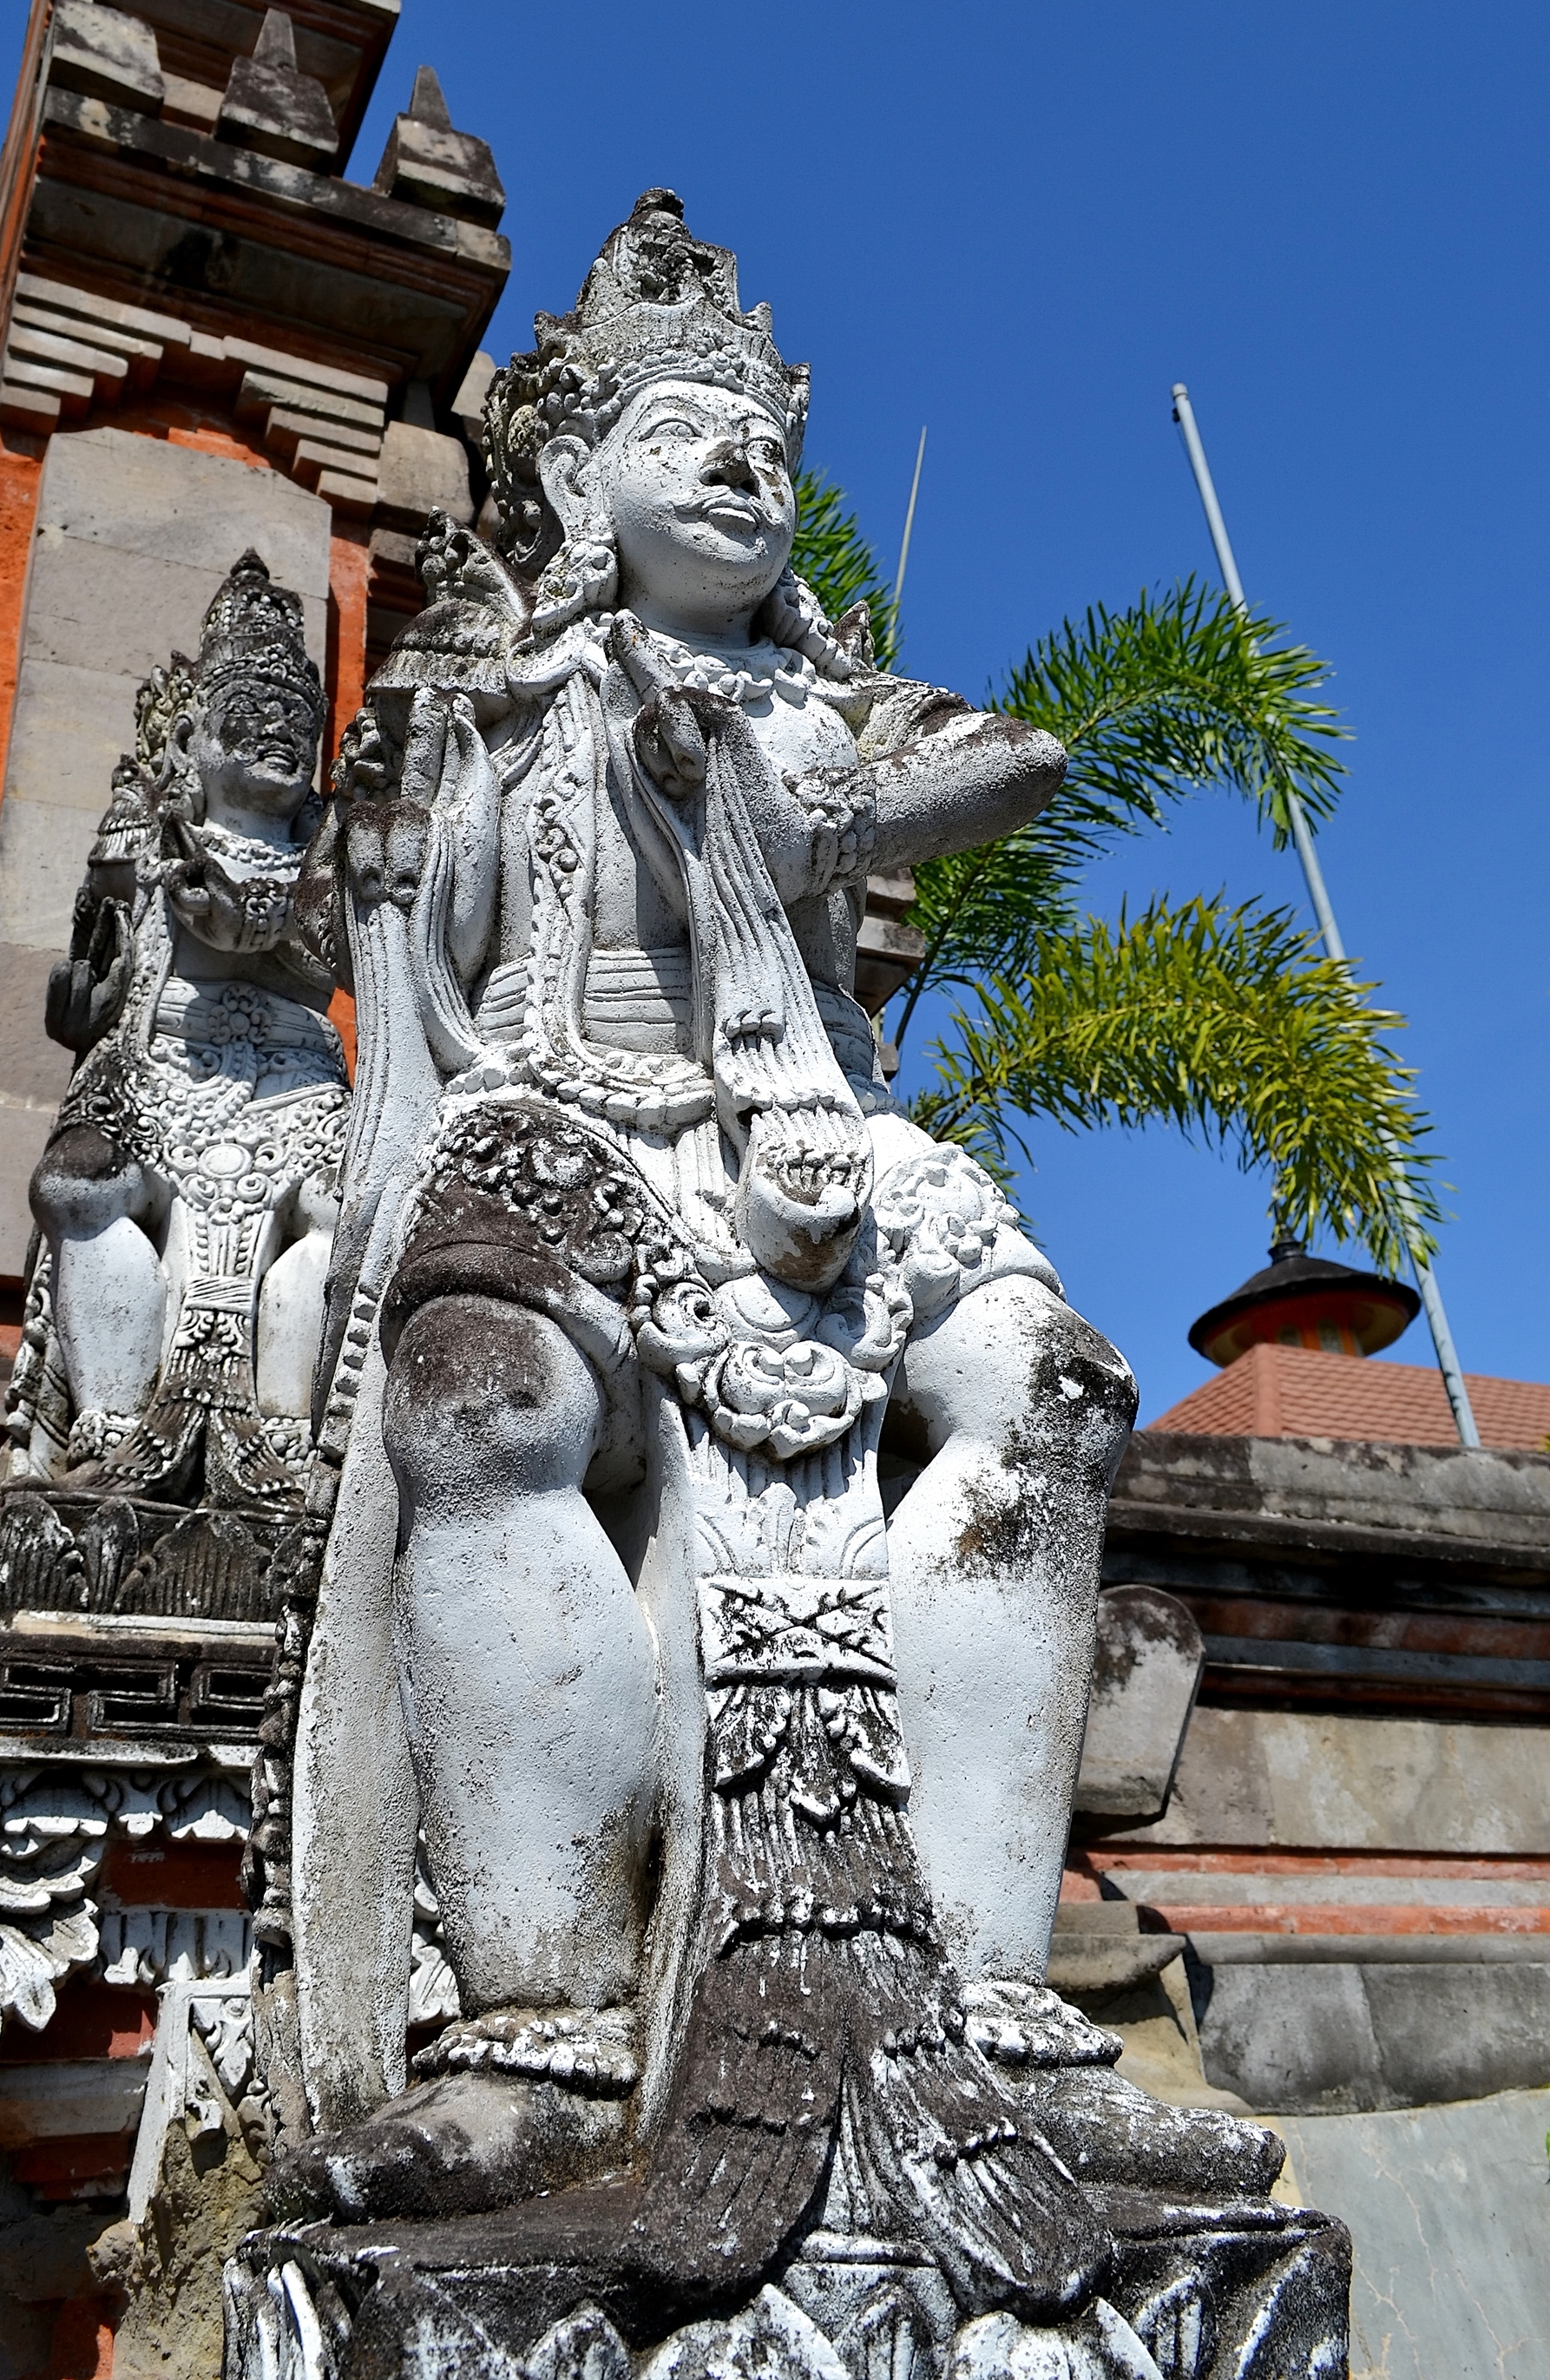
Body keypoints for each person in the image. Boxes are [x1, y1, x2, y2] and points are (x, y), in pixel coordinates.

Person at [282, 194, 1277, 2305]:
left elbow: (1011, 753)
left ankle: (996, 1987)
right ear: (573, 485)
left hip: (821, 1136)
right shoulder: (498, 705)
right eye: (683, 436)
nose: (740, 470)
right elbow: (409, 939)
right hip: (565, 1121)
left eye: (763, 447)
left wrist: (799, 800)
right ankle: (535, 2022)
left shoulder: (823, 701)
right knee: (479, 1393)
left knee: (1051, 1389)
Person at [0, 553, 346, 1619]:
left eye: (296, 722)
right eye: (248, 714)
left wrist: (241, 911)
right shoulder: (148, 835)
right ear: (195, 742)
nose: (276, 736)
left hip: (291, 1080)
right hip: (161, 1067)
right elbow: (86, 997)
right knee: (77, 1187)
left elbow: (316, 955)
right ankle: (107, 1426)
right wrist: (90, 959)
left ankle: (284, 1445)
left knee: (345, 1218)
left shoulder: (329, 857)